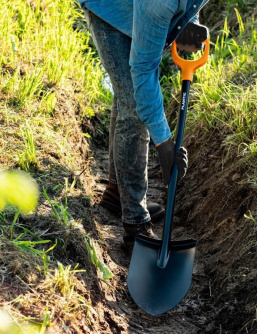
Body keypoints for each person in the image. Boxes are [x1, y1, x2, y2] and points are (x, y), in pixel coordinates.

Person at [78, 0, 209, 248]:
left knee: (128, 95)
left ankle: (118, 193)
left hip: (142, 7)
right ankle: (135, 222)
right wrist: (164, 143)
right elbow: (143, 68)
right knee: (134, 105)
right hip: (110, 10)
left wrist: (189, 22)